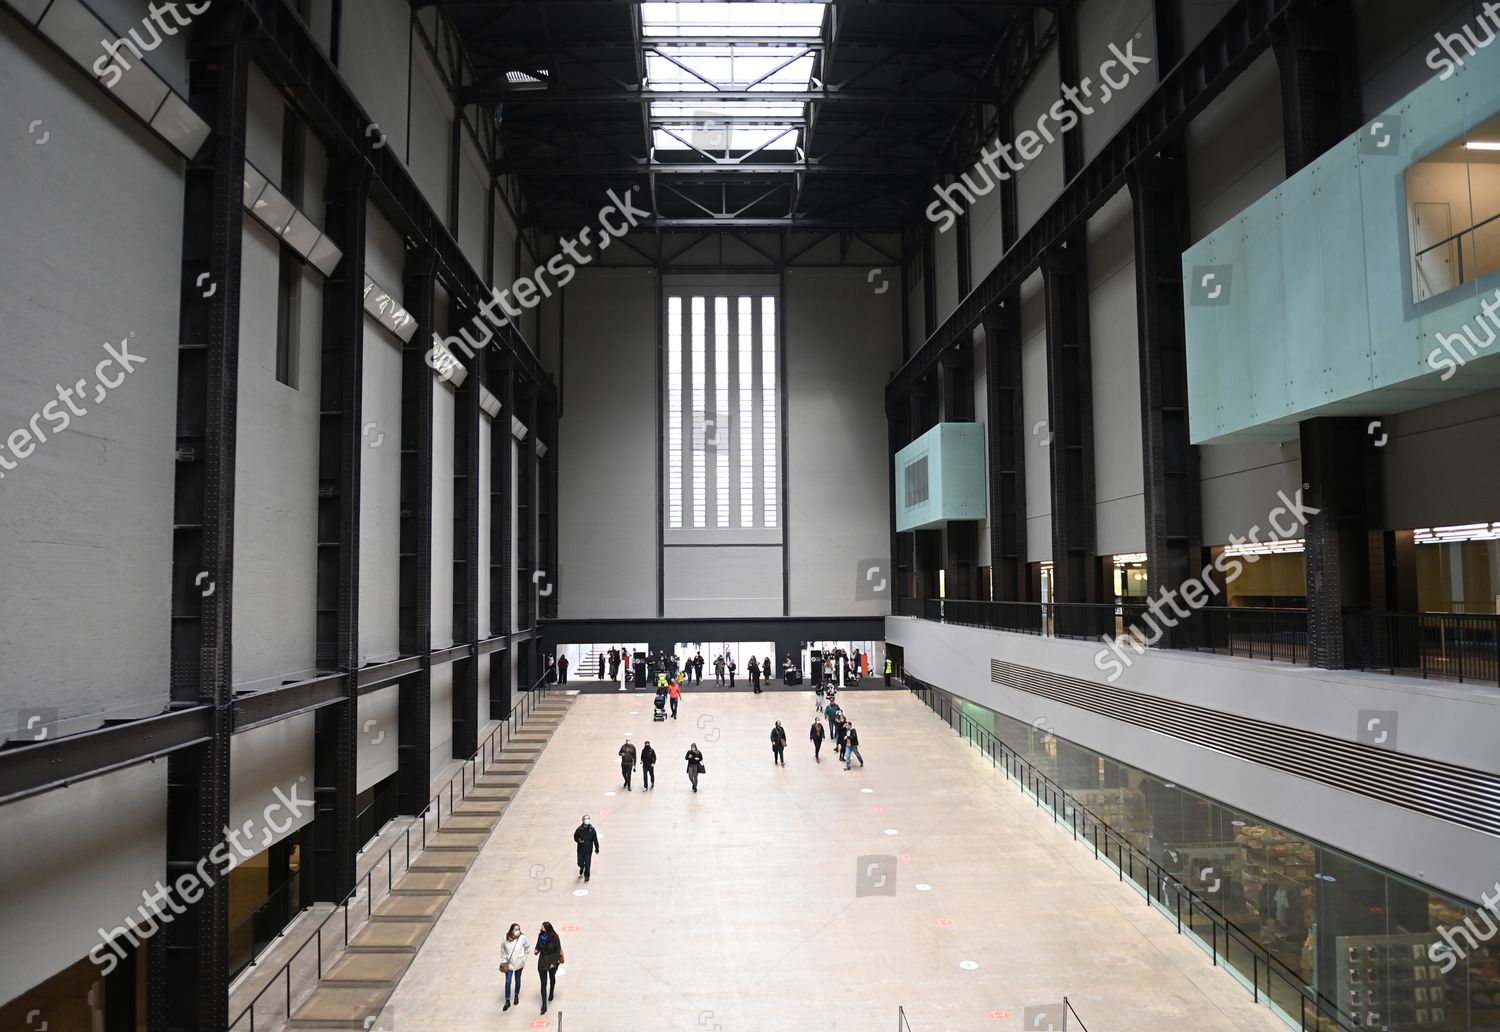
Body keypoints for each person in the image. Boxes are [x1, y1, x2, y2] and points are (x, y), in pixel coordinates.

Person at [535, 922, 563, 1014]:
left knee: (552, 978)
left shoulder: (555, 937)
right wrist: (537, 950)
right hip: (542, 961)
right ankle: (544, 1005)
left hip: (552, 961)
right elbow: (538, 945)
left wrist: (554, 963)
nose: (541, 927)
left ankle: (551, 992)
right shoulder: (540, 936)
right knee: (543, 984)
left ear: (547, 928)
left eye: (543, 926)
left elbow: (558, 950)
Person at [499, 922, 529, 1011]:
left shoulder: (522, 938)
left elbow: (527, 947)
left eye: (518, 929)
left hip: (519, 963)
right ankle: (507, 1000)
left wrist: (524, 958)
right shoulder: (506, 937)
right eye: (516, 929)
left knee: (517, 979)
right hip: (509, 964)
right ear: (512, 930)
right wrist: (504, 959)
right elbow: (502, 949)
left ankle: (516, 995)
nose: (517, 931)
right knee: (508, 981)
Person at [574, 816, 599, 881]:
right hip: (580, 850)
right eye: (585, 819)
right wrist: (579, 840)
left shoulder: (592, 830)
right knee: (580, 862)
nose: (587, 820)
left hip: (588, 850)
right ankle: (582, 867)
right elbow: (575, 837)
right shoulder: (579, 830)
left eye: (588, 819)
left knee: (588, 864)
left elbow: (595, 840)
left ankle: (587, 876)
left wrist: (597, 848)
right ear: (583, 820)